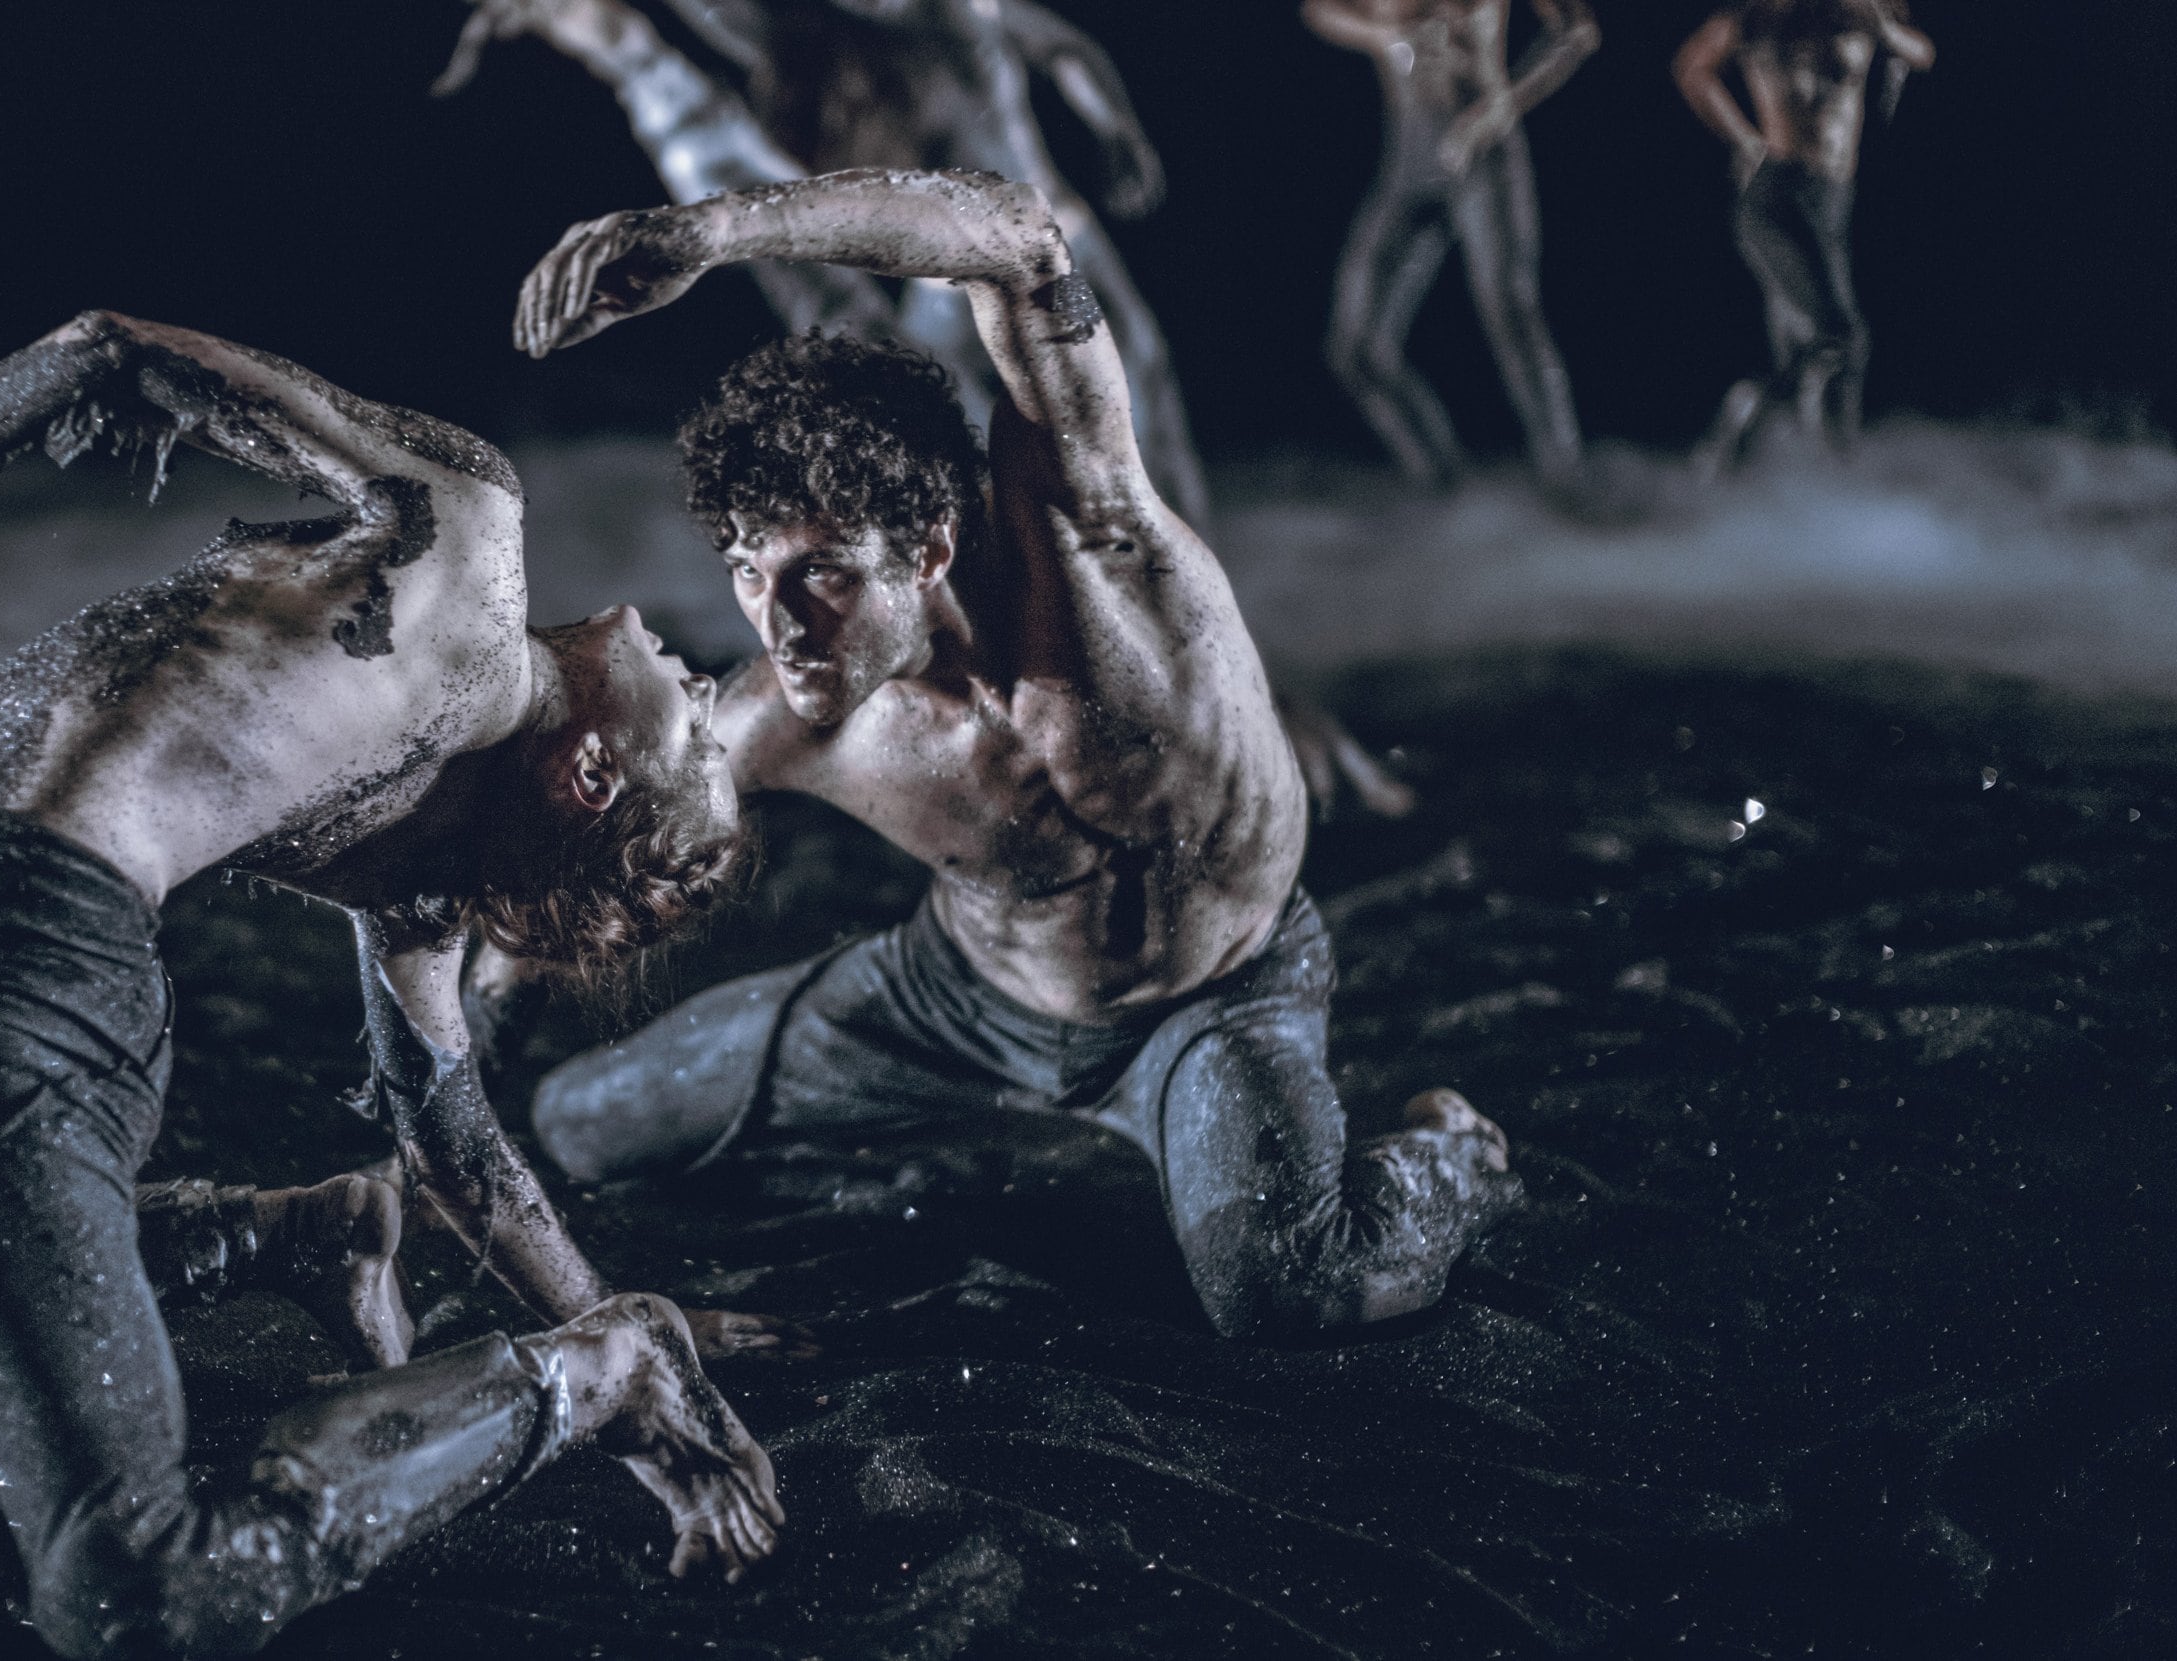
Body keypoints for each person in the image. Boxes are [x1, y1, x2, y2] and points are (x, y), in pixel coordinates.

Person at [0, 310, 783, 1657]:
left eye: (697, 729)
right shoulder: (460, 535)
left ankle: (588, 1378)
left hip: (14, 966)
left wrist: (616, 1340)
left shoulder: (426, 834)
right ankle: (293, 1232)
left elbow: (461, 1145)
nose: (702, 679)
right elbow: (115, 349)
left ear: (595, 774)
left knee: (130, 1589)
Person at [503, 168, 1522, 1341]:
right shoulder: (784, 715)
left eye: (822, 572)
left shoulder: (1092, 550)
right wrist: (452, 1082)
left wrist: (714, 229)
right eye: (748, 570)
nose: (778, 622)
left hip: (1212, 999)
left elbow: (1019, 238)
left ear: (930, 547)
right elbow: (548, 860)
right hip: (949, 1000)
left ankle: (1455, 1156)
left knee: (1285, 1287)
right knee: (581, 1125)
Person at [442, 0, 1208, 530]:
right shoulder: (793, 78)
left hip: (1046, 255)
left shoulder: (949, 42)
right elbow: (712, 131)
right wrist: (598, 34)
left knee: (1125, 431)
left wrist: (1113, 124)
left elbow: (1053, 41)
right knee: (887, 357)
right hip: (938, 294)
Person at [1304, 0, 1595, 493]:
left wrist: (1501, 106)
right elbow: (1320, 10)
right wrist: (1380, 34)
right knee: (1355, 346)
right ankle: (1439, 479)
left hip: (1481, 146)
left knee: (1510, 315)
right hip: (1410, 153)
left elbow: (1578, 30)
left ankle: (1566, 475)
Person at [1674, 0, 1934, 472]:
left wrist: (1888, 34)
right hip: (1777, 199)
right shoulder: (1759, 15)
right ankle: (1810, 452)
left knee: (1807, 351)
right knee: (1842, 336)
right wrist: (1744, 139)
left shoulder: (1859, 11)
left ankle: (1764, 458)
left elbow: (1922, 53)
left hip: (1833, 199)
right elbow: (1691, 67)